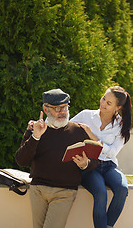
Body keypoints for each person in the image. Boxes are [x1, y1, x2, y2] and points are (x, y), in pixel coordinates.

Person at [15, 88, 98, 228]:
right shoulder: (34, 129)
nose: (62, 112)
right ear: (45, 109)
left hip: (65, 191)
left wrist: (86, 164)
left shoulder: (79, 131)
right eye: (57, 108)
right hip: (38, 190)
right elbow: (21, 161)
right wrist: (36, 137)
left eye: (65, 107)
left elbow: (96, 161)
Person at [71, 86, 132, 228]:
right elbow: (65, 129)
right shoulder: (86, 115)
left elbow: (112, 153)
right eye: (104, 98)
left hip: (109, 165)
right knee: (100, 193)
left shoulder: (122, 126)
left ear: (117, 108)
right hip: (90, 166)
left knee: (122, 189)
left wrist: (92, 136)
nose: (103, 103)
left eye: (109, 103)